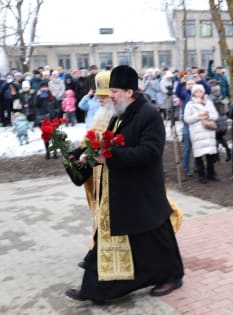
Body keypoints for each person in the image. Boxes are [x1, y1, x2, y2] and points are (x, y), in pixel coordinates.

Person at [64, 65, 184, 303]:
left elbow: (150, 152)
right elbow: (106, 144)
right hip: (125, 189)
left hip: (143, 190)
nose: (110, 96)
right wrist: (86, 155)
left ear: (130, 91)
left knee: (158, 236)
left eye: (115, 91)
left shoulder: (148, 114)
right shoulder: (121, 113)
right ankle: (95, 289)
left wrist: (109, 156)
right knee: (134, 239)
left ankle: (173, 276)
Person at [183, 83, 219, 184]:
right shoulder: (190, 104)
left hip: (208, 131)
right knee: (199, 154)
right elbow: (187, 119)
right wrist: (198, 115)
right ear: (193, 93)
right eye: (196, 92)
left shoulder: (209, 102)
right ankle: (201, 175)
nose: (199, 93)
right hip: (197, 132)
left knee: (210, 155)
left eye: (200, 91)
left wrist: (207, 116)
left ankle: (211, 173)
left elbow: (215, 115)